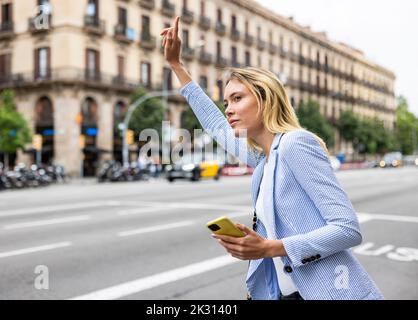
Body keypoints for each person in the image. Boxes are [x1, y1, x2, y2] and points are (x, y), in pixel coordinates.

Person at [161, 17, 384, 300]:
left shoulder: (295, 144)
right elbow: (216, 125)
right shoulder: (265, 160)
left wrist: (269, 247)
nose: (228, 108)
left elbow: (347, 230)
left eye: (238, 98)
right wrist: (177, 66)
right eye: (226, 102)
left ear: (265, 99)